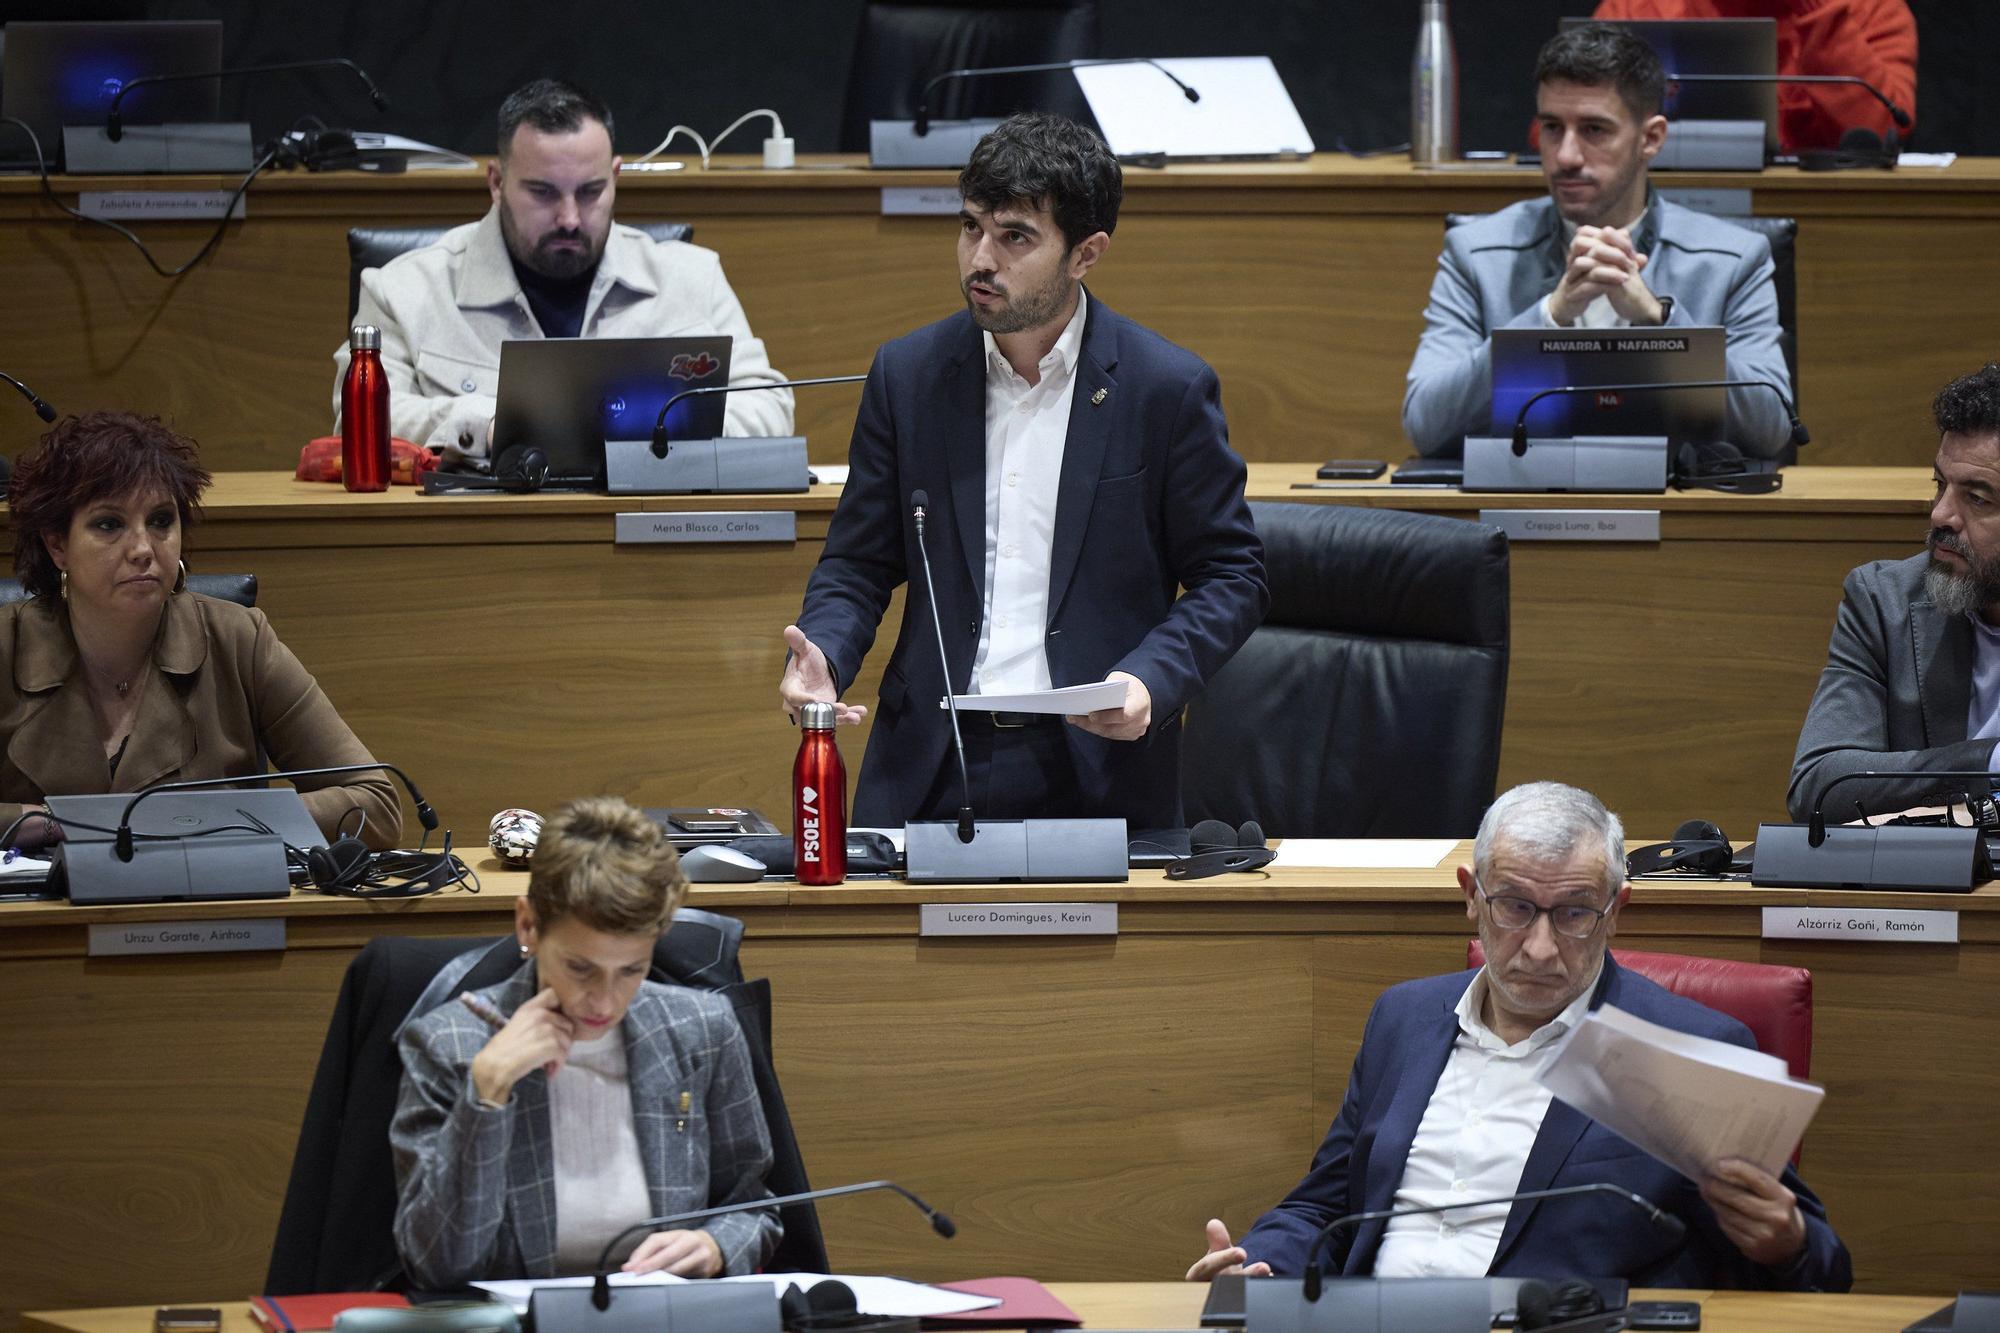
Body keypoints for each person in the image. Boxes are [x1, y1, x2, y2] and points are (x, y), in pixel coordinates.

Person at [777, 112, 1266, 829]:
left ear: (1085, 254)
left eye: (1015, 238)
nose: (981, 259)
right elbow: (858, 560)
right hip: (930, 762)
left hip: (1097, 766)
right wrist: (825, 650)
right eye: (971, 226)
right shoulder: (909, 376)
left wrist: (1150, 679)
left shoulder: (1165, 389)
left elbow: (1233, 574)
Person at [1186, 782, 1852, 1290]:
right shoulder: (1403, 1019)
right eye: (1514, 907)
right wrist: (1260, 1264)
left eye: (1572, 914)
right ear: (1471, 896)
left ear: (1616, 910)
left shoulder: (1685, 1046)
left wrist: (1784, 1241)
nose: (1539, 947)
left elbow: (1817, 1262)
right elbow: (1322, 1206)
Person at [391, 796, 779, 1287]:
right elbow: (437, 1265)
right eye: (580, 967)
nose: (604, 1001)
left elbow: (755, 1208)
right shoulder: (448, 1044)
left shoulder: (701, 1029)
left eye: (631, 970)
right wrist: (485, 1094)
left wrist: (716, 1244)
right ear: (528, 925)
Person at [1, 412, 401, 851]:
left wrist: (211, 821)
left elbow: (376, 806)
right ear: (57, 545)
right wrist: (54, 824)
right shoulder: (6, 645)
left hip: (210, 915)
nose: (141, 549)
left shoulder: (238, 640)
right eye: (109, 524)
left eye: (160, 521)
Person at [330, 78, 790, 458]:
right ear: (496, 182)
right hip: (473, 546)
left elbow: (770, 411)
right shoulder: (401, 289)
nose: (570, 218)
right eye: (543, 192)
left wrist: (644, 424)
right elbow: (355, 423)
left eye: (590, 192)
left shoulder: (692, 278)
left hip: (646, 537)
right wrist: (488, 425)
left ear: (616, 177)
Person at [1403, 24, 1793, 460]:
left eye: (1594, 130)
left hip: (1682, 514)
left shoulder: (1734, 260)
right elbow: (1426, 425)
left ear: (1651, 138)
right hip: (1524, 506)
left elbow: (1771, 429)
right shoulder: (1474, 253)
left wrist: (1659, 322)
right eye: (1552, 127)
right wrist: (1547, 319)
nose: (1566, 156)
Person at [1790, 363, 2000, 823]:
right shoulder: (1885, 601)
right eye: (1941, 485)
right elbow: (1819, 784)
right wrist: (1987, 764)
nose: (1941, 515)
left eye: (1978, 498)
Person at [1592, 0, 1917, 154]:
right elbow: (1562, 128)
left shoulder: (1871, 9)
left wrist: (1817, 11)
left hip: (1825, 218)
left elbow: (1882, 133)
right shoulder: (1635, 8)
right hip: (1669, 212)